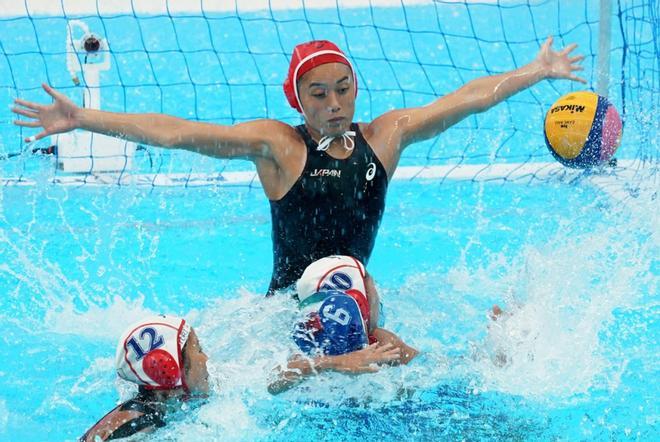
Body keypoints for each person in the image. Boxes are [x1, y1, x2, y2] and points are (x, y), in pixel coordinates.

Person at [12, 37, 585, 294]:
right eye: (318, 95)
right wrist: (85, 119)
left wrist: (535, 71)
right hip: (283, 316)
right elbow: (183, 133)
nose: (333, 105)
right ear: (297, 98)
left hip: (357, 300)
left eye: (342, 89)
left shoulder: (385, 137)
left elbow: (466, 98)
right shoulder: (280, 147)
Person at [268, 255, 418, 394]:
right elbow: (271, 384)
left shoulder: (380, 341)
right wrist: (336, 362)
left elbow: (426, 369)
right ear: (361, 299)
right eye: (374, 289)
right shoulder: (306, 338)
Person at [80, 315, 209, 441]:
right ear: (169, 368)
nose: (206, 359)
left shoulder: (154, 409)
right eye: (199, 350)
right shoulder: (141, 425)